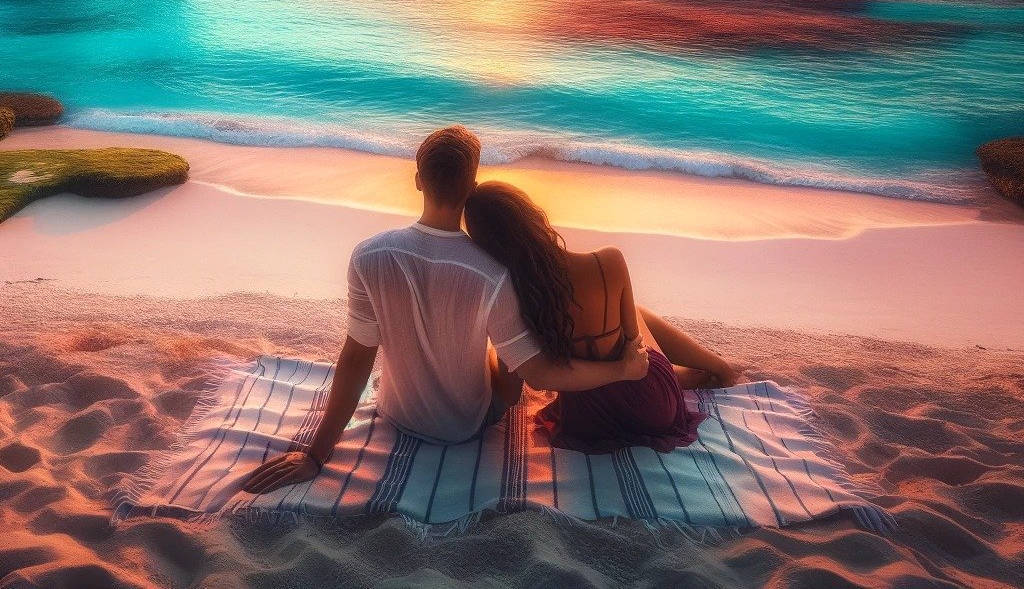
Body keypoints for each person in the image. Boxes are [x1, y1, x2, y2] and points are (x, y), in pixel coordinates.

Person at [242, 126, 649, 495]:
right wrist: (623, 370)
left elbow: (356, 358)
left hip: (395, 411)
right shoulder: (492, 273)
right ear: (472, 187)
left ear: (418, 180)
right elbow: (539, 374)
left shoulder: (369, 256)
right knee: (507, 353)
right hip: (465, 427)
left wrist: (315, 455)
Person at [463, 181, 739, 454]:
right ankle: (714, 368)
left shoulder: (515, 298)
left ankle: (690, 373)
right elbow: (636, 349)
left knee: (617, 321)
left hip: (588, 420)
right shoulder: (608, 260)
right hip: (655, 406)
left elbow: (511, 392)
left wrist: (493, 350)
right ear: (535, 216)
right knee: (629, 313)